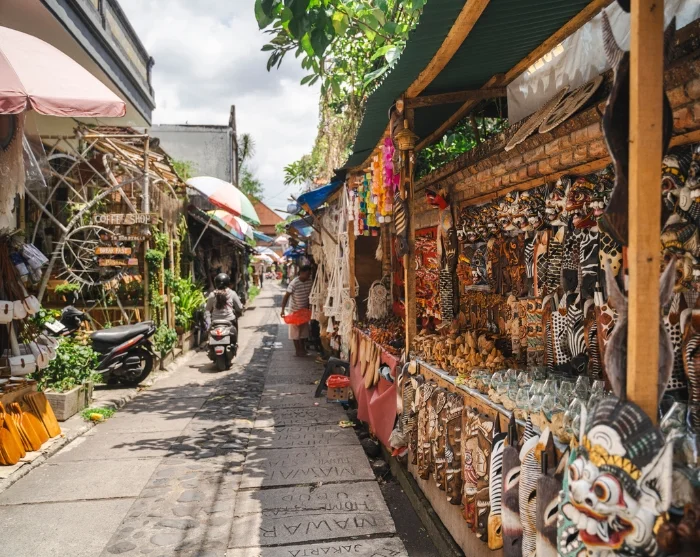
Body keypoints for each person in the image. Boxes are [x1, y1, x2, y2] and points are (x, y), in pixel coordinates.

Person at [281, 265, 313, 357]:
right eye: (307, 274)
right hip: (294, 312)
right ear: (301, 273)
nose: (308, 276)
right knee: (295, 333)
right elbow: (286, 296)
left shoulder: (310, 282)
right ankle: (298, 351)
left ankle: (303, 350)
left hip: (304, 311)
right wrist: (282, 310)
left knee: (303, 332)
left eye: (309, 274)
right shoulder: (294, 283)